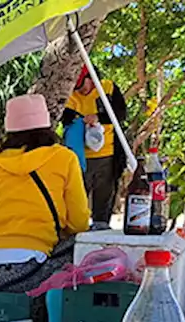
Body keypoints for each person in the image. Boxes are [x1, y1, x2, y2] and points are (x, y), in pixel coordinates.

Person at [0, 94, 91, 322]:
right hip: (24, 270)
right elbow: (79, 222)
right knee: (85, 243)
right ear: (47, 124)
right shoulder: (64, 157)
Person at [61, 66, 127, 228]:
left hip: (108, 154)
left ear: (89, 79)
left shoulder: (108, 88)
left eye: (82, 86)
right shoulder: (70, 96)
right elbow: (65, 119)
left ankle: (102, 227)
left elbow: (121, 114)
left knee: (104, 196)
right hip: (80, 157)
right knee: (78, 198)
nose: (81, 91)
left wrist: (98, 118)